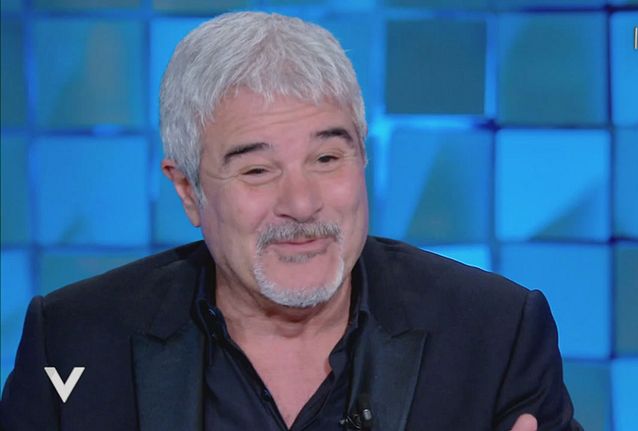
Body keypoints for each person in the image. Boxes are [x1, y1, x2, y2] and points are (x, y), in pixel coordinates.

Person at [0, 12, 581, 431]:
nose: (301, 205)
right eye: (257, 170)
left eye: (327, 159)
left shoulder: (496, 333)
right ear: (188, 191)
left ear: (363, 159)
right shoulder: (74, 340)